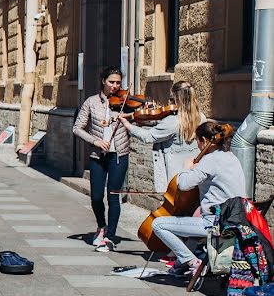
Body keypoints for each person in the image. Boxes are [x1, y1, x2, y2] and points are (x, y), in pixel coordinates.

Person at [151, 121, 246, 276]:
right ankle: (181, 264)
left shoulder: (209, 160)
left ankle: (192, 262)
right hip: (236, 220)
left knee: (158, 224)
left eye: (198, 141)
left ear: (205, 141)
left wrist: (186, 167)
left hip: (215, 224)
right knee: (194, 214)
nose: (198, 146)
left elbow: (183, 184)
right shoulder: (232, 158)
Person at [73, 66, 130, 252]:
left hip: (119, 155)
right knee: (97, 196)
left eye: (118, 83)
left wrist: (135, 115)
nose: (115, 86)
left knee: (113, 196)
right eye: (111, 82)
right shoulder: (91, 102)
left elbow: (139, 120)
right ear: (103, 81)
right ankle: (101, 226)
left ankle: (110, 237)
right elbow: (77, 128)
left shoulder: (126, 101)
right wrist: (95, 141)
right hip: (98, 156)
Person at [116, 81, 205, 192]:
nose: (169, 102)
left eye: (171, 98)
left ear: (177, 99)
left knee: (174, 207)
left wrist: (127, 124)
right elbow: (163, 126)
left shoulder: (172, 122)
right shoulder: (201, 117)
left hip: (175, 175)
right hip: (195, 171)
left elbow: (148, 136)